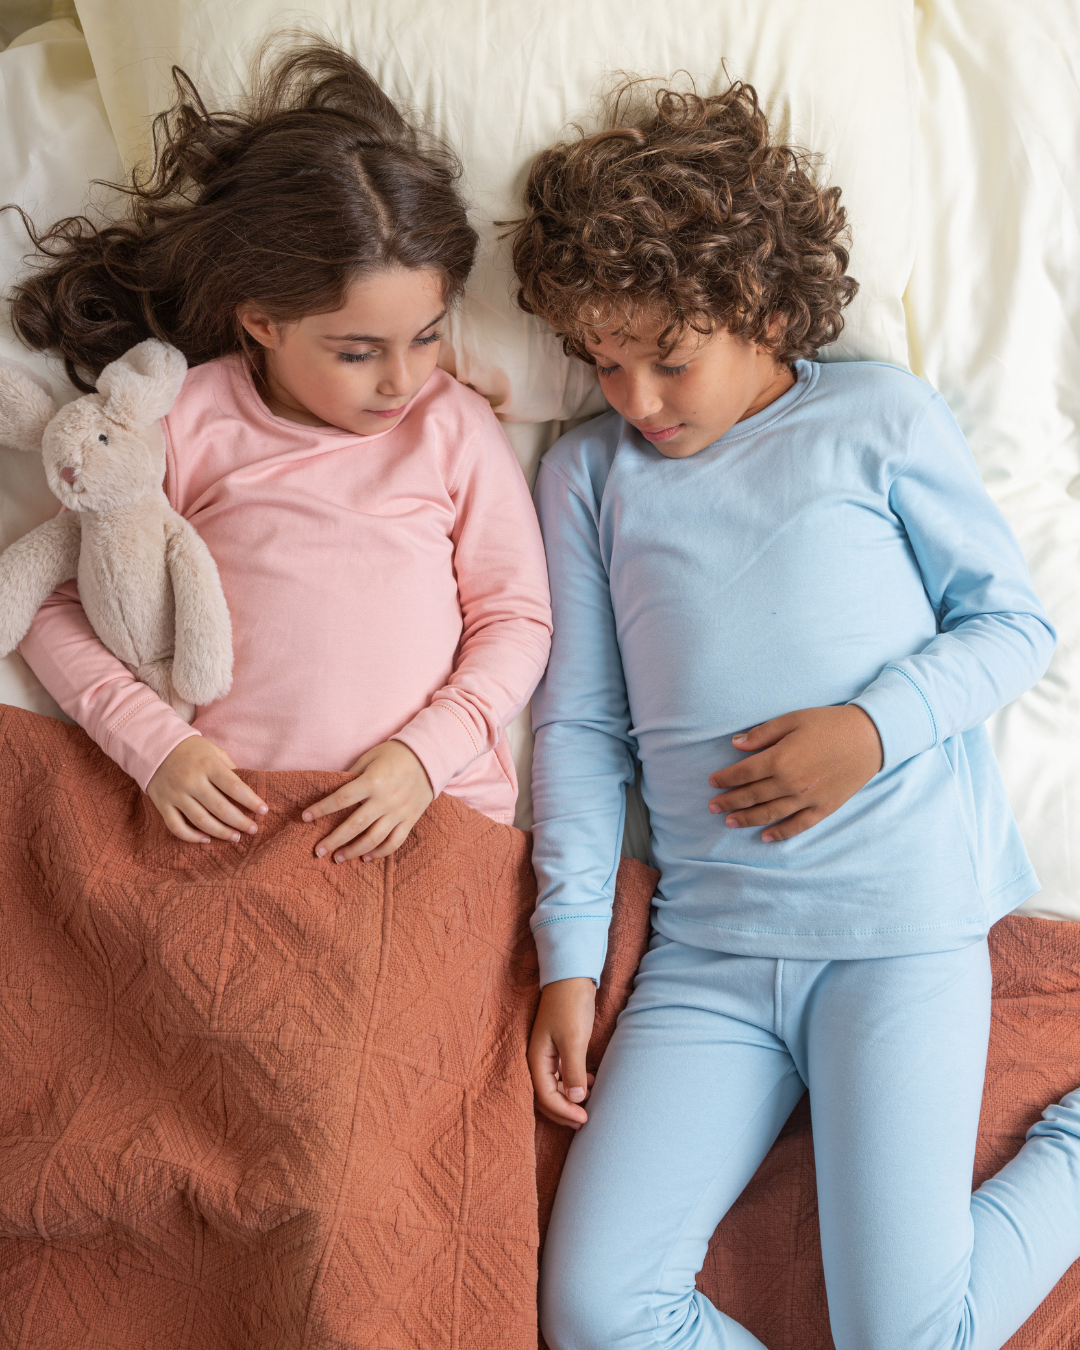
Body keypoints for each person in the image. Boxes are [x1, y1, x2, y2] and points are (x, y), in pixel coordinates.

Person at [510, 79, 1080, 1350]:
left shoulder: (878, 416)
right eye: (603, 363)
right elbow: (581, 730)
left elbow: (1013, 627)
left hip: (899, 932)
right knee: (597, 1310)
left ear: (765, 309)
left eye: (670, 359)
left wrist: (871, 730)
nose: (637, 399)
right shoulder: (589, 476)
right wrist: (570, 958)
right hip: (708, 958)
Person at [9, 41, 551, 859]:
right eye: (357, 352)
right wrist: (156, 747)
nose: (402, 380)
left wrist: (425, 755)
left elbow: (516, 618)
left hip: (429, 810)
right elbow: (50, 603)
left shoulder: (454, 426)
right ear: (261, 320)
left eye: (427, 337)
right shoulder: (185, 421)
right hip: (236, 823)